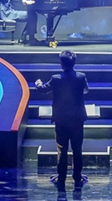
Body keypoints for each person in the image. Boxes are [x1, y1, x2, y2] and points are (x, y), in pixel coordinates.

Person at [35, 50, 89, 188]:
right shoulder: (81, 77)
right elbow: (86, 90)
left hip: (61, 119)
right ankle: (77, 176)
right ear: (74, 62)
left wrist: (38, 84)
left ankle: (62, 177)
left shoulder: (56, 78)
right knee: (77, 149)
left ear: (61, 64)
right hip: (77, 119)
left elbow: (43, 89)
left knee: (62, 150)